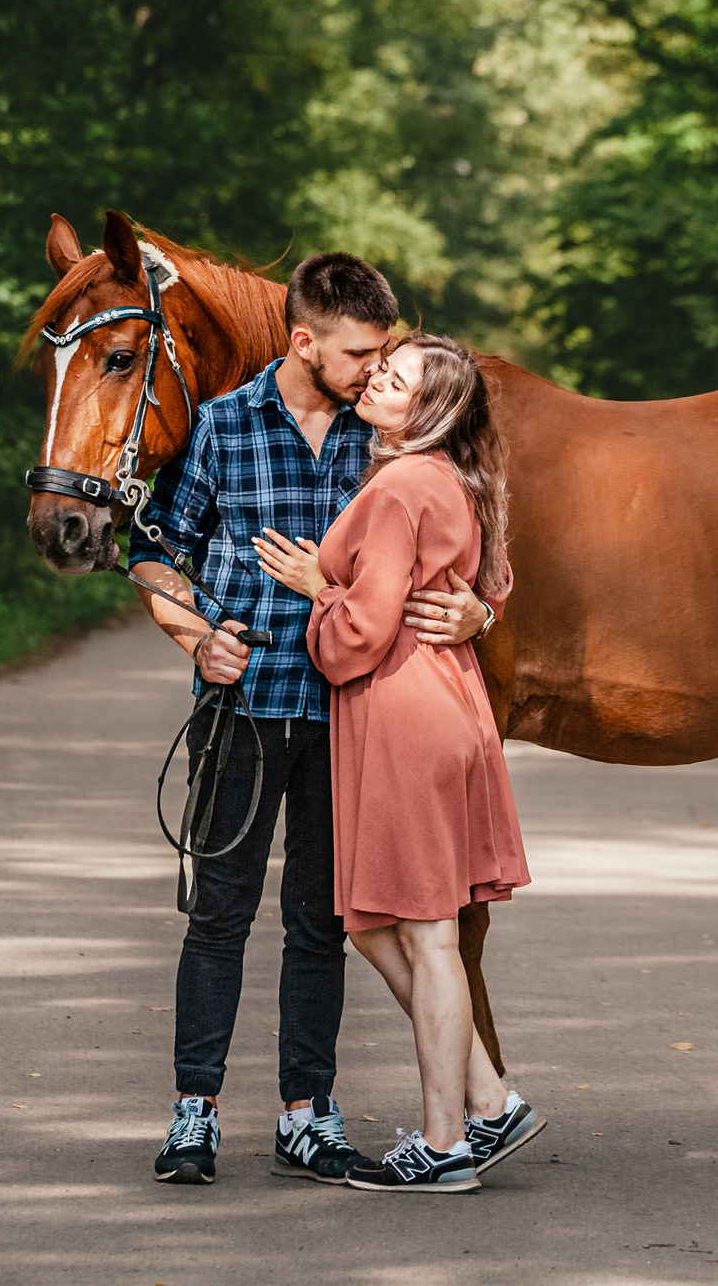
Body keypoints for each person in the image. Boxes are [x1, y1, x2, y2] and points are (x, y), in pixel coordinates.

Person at [129, 253, 494, 1188]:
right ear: (305, 342)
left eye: (387, 358)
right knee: (216, 917)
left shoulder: (391, 447)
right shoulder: (221, 426)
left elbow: (470, 552)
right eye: (362, 354)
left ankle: (309, 1115)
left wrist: (480, 612)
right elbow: (153, 552)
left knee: (320, 925)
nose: (377, 372)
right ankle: (193, 1114)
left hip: (351, 721)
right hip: (240, 709)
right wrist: (193, 638)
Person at [255, 333, 543, 1194]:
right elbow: (491, 587)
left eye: (399, 376)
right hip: (440, 702)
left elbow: (359, 636)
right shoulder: (452, 480)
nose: (378, 377)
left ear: (432, 410)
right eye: (380, 366)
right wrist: (479, 619)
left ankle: (446, 1144)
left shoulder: (398, 488)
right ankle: (490, 1101)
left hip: (402, 710)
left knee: (425, 933)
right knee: (374, 923)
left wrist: (317, 594)